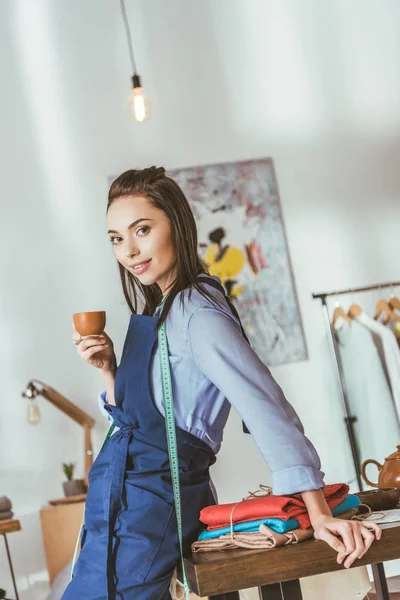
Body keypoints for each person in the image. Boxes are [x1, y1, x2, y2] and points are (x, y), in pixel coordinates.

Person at [62, 167, 381, 600]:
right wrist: (107, 368)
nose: (129, 250)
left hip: (146, 507)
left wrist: (318, 513)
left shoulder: (198, 314)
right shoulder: (166, 308)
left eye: (141, 229)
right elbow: (143, 417)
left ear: (176, 223)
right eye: (117, 238)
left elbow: (267, 407)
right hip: (122, 498)